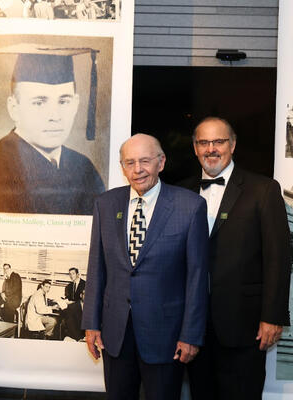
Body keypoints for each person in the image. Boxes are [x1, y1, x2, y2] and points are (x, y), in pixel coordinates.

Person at [82, 133, 209, 400]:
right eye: (129, 162)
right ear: (122, 167)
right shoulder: (105, 204)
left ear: (161, 163)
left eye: (145, 161)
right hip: (116, 334)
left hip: (166, 337)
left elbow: (197, 278)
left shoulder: (190, 206)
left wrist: (191, 335)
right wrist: (91, 324)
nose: (137, 170)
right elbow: (96, 269)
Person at [179, 117, 291, 400]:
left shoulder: (263, 190)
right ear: (195, 148)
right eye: (204, 142)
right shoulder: (180, 192)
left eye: (219, 141)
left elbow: (278, 257)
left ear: (233, 145)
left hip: (245, 326)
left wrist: (272, 317)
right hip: (194, 328)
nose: (211, 149)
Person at [0, 44, 105, 215]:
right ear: (14, 108)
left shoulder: (84, 168)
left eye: (63, 101)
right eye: (39, 103)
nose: (54, 116)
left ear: (75, 104)